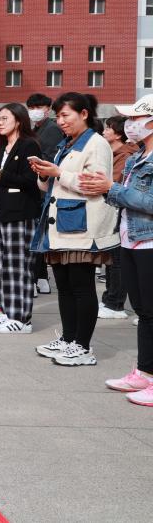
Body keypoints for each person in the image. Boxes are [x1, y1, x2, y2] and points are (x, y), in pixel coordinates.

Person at [31, 93, 120, 366]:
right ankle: (68, 338)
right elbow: (52, 185)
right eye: (57, 116)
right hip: (61, 226)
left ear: (83, 114)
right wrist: (44, 174)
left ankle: (83, 346)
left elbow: (93, 185)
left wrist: (58, 173)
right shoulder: (66, 143)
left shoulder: (96, 144)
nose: (60, 121)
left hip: (83, 227)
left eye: (65, 115)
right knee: (65, 287)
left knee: (81, 287)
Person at [95, 95, 153, 406]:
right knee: (143, 311)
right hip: (131, 239)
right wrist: (105, 189)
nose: (130, 125)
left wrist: (112, 188)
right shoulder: (137, 157)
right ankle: (145, 371)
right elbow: (125, 196)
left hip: (149, 240)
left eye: (136, 119)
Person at [0, 103, 42, 333]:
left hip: (19, 212)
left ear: (19, 120)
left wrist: (0, 173)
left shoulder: (28, 144)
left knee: (17, 266)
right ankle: (6, 311)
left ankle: (21, 318)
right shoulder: (1, 145)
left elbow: (30, 180)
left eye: (4, 118)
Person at [98, 115, 137, 320]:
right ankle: (111, 300)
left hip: (120, 211)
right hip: (111, 210)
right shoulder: (110, 153)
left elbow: (113, 182)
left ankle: (115, 303)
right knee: (113, 259)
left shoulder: (126, 155)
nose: (104, 132)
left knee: (118, 261)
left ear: (118, 134)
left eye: (108, 128)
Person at [27, 93, 60, 296]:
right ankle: (40, 277)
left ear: (48, 109)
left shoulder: (52, 129)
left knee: (37, 236)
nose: (35, 111)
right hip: (36, 188)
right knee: (36, 235)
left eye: (39, 107)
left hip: (43, 187)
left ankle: (38, 277)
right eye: (32, 108)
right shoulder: (35, 129)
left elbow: (48, 158)